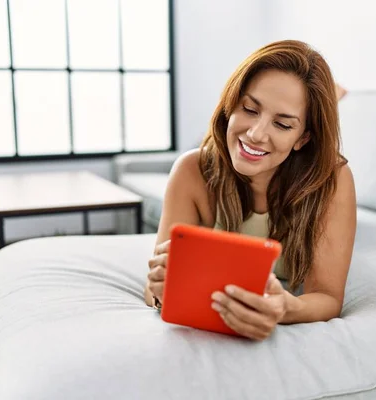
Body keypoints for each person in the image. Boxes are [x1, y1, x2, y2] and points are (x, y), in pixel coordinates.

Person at [145, 40, 356, 341]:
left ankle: (333, 95)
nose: (256, 135)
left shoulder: (333, 179)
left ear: (303, 138)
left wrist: (286, 307)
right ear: (231, 103)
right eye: (249, 109)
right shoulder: (190, 171)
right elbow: (153, 288)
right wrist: (157, 291)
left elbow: (327, 297)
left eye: (283, 125)